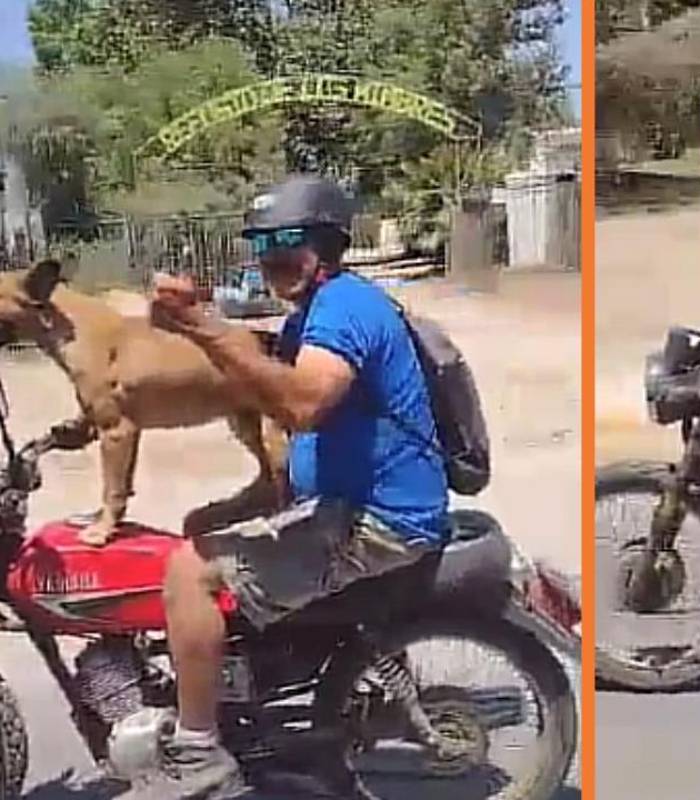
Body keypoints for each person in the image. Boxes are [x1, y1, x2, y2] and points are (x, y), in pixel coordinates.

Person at [127, 174, 450, 799]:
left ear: (326, 242)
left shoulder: (343, 310)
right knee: (200, 530)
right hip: (349, 500)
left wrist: (201, 325)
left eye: (289, 239)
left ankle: (198, 751)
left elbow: (303, 405)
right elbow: (269, 386)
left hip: (376, 519)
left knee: (187, 572)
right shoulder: (318, 311)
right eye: (263, 241)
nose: (273, 254)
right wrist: (194, 326)